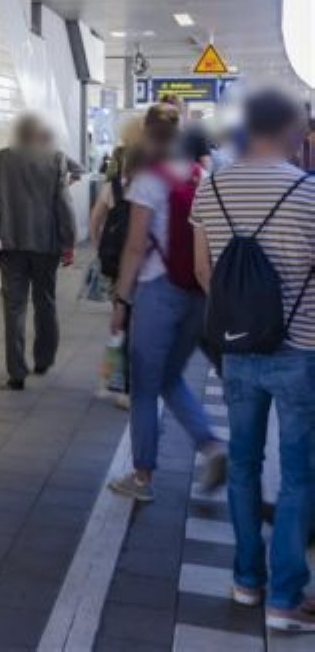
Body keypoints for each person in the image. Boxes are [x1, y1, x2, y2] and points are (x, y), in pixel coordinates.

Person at [190, 89, 315, 632]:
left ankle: (246, 581)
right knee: (299, 474)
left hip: (237, 351)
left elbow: (204, 272)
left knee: (243, 464)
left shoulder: (212, 186)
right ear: (289, 129)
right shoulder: (309, 193)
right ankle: (285, 599)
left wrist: (241, 320)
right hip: (301, 351)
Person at [107, 104, 225, 503]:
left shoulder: (148, 180)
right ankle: (212, 445)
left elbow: (135, 246)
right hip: (196, 293)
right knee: (170, 376)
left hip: (158, 291)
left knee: (144, 385)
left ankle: (142, 477)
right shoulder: (200, 175)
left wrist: (121, 299)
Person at [0, 115, 77, 389]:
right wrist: (69, 241)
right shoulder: (55, 159)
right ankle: (43, 359)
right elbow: (64, 204)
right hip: (46, 244)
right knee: (45, 301)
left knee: (14, 308)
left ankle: (16, 372)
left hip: (9, 244)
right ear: (38, 134)